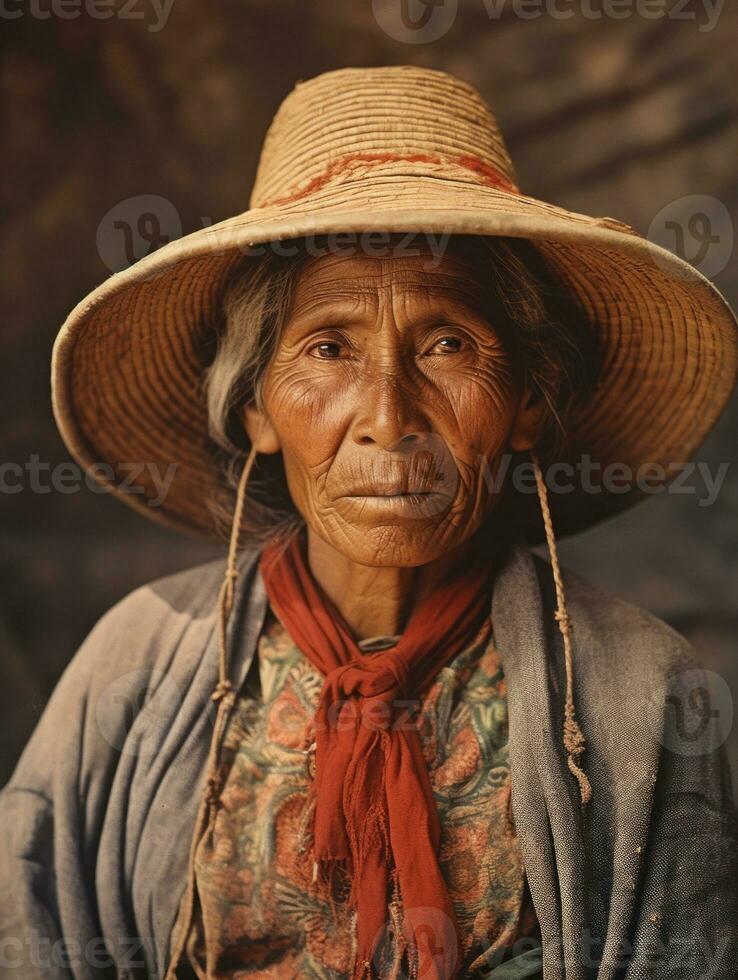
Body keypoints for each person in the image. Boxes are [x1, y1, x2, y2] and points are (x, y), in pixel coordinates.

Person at [1, 66, 736, 980]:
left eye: (447, 344)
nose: (388, 413)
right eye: (329, 347)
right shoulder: (140, 666)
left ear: (525, 408)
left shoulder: (634, 693)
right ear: (258, 411)